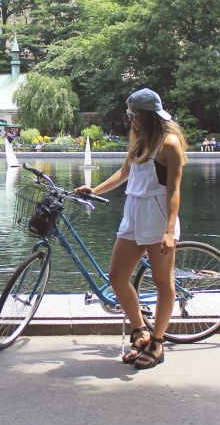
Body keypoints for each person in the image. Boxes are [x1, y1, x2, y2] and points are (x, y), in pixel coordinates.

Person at [75, 88, 187, 370]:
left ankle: (157, 343)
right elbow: (125, 174)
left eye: (134, 115)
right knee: (117, 276)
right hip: (133, 213)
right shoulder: (140, 140)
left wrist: (169, 231)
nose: (130, 120)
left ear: (148, 116)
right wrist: (94, 190)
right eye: (130, 115)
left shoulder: (169, 143)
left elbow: (174, 190)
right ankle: (140, 329)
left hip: (158, 216)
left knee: (163, 282)